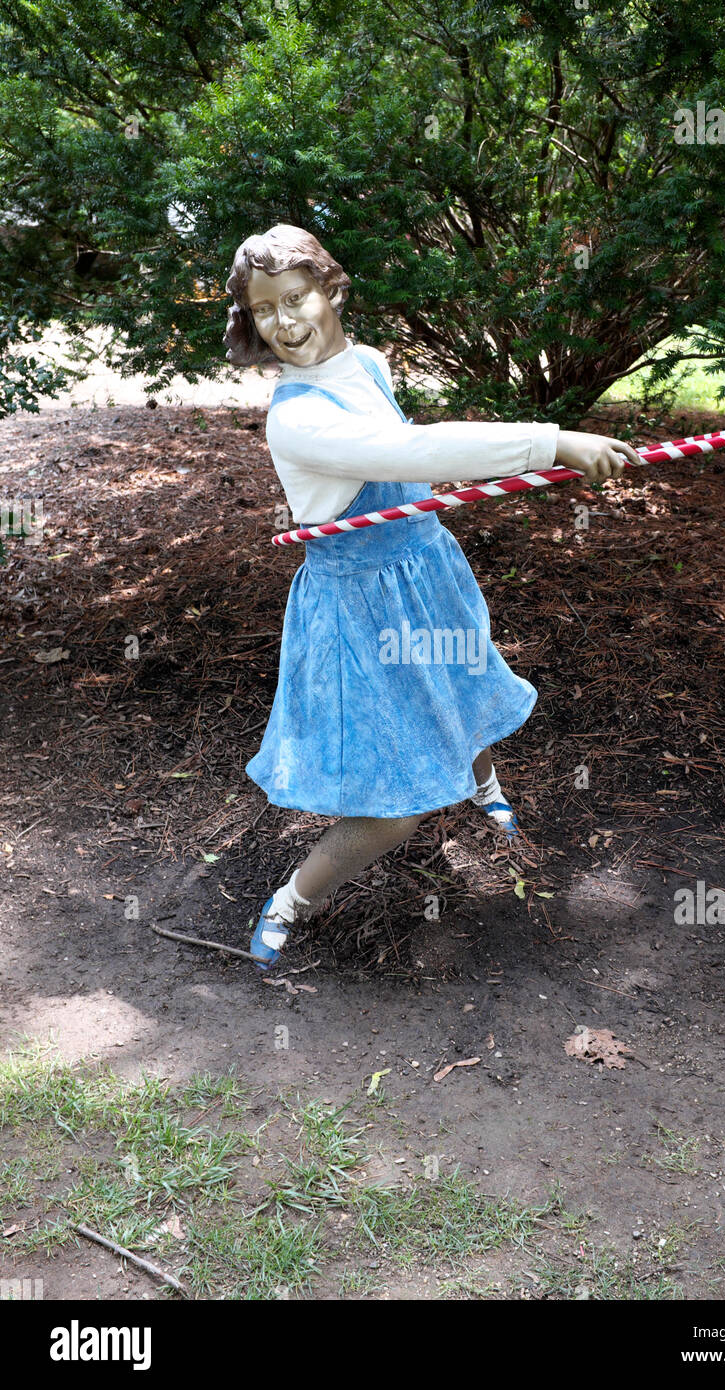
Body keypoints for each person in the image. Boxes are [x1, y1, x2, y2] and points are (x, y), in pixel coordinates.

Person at [223, 224, 640, 970]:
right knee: (395, 807)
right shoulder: (296, 419)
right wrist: (553, 441)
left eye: (296, 298)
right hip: (358, 608)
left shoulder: (370, 364)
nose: (284, 323)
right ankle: (290, 900)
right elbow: (414, 453)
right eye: (264, 310)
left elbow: (409, 461)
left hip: (423, 568)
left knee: (461, 685)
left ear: (331, 290)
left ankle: (481, 782)